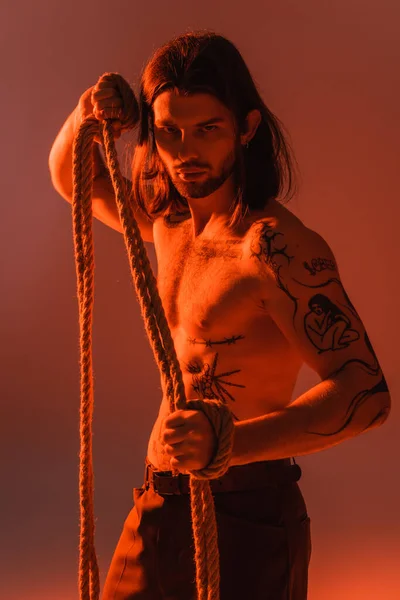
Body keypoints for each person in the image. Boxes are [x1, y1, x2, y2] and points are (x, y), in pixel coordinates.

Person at [49, 29, 391, 600]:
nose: (185, 152)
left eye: (207, 129)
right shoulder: (167, 223)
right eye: (169, 132)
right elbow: (71, 177)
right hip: (159, 501)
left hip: (247, 513)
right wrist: (88, 109)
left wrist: (227, 443)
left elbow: (368, 393)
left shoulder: (276, 248)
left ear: (247, 127)